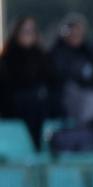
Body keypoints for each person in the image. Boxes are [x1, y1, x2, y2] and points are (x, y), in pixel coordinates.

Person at [0, 17, 57, 148]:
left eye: (31, 31)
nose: (28, 35)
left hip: (39, 102)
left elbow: (52, 80)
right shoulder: (8, 57)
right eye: (25, 31)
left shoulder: (41, 56)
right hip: (16, 104)